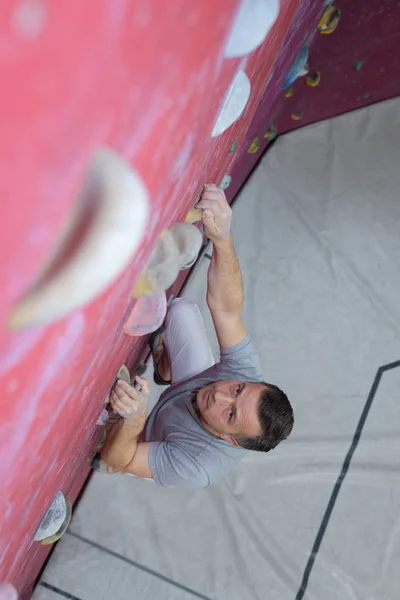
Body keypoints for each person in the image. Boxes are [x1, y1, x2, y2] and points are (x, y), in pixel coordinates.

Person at [101, 184, 294, 488]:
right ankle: (164, 370)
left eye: (229, 413)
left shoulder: (197, 466)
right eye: (238, 389)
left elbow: (118, 460)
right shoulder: (244, 373)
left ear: (229, 440)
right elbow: (227, 309)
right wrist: (222, 238)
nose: (219, 394)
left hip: (147, 437)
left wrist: (135, 419)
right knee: (181, 311)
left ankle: (125, 419)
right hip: (182, 387)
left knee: (115, 445)